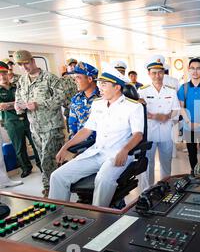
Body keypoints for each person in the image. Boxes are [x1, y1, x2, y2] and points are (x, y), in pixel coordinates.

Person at [48, 65, 144, 207]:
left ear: (117, 87)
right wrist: (66, 147)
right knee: (57, 176)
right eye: (99, 84)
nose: (99, 88)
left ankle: (98, 216)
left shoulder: (133, 106)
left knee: (103, 179)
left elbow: (138, 135)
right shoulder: (98, 104)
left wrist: (124, 150)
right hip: (96, 152)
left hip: (117, 154)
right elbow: (87, 130)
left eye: (104, 85)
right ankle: (56, 215)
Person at [13, 50, 66, 197]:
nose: (24, 67)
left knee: (47, 158)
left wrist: (40, 104)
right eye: (20, 65)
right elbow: (19, 97)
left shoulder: (50, 78)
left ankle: (49, 187)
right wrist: (18, 106)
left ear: (33, 61)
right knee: (46, 157)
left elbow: (61, 97)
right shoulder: (22, 81)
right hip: (35, 127)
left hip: (51, 126)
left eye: (26, 63)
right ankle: (58, 182)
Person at [137, 55, 180, 191]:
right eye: (154, 72)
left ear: (164, 73)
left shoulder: (171, 91)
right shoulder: (142, 91)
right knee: (148, 164)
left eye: (160, 72)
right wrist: (155, 116)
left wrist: (167, 116)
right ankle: (146, 190)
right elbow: (138, 113)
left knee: (166, 163)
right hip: (149, 133)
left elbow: (176, 110)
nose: (157, 75)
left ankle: (164, 187)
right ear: (149, 74)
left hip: (166, 132)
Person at [0, 61, 41, 178]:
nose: (2, 76)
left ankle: (41, 164)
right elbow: (1, 106)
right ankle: (26, 168)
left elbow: (28, 100)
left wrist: (10, 104)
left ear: (8, 74)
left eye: (4, 73)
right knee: (19, 147)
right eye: (0, 74)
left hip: (27, 119)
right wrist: (18, 103)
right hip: (12, 122)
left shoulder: (17, 85)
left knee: (36, 143)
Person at [177, 58, 200, 173]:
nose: (195, 71)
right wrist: (189, 122)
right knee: (192, 153)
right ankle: (194, 173)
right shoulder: (183, 88)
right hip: (189, 126)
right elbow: (181, 107)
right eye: (192, 68)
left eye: (198, 68)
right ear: (189, 70)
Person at [68, 62, 100, 140]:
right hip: (81, 145)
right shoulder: (76, 99)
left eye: (78, 77)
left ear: (89, 79)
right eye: (74, 78)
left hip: (99, 144)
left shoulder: (103, 97)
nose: (75, 81)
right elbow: (72, 125)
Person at [61, 58, 79, 129]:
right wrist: (72, 106)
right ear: (66, 67)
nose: (73, 67)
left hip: (83, 110)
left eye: (75, 65)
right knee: (73, 134)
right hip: (70, 111)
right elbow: (61, 97)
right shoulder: (63, 80)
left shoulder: (81, 77)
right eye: (70, 65)